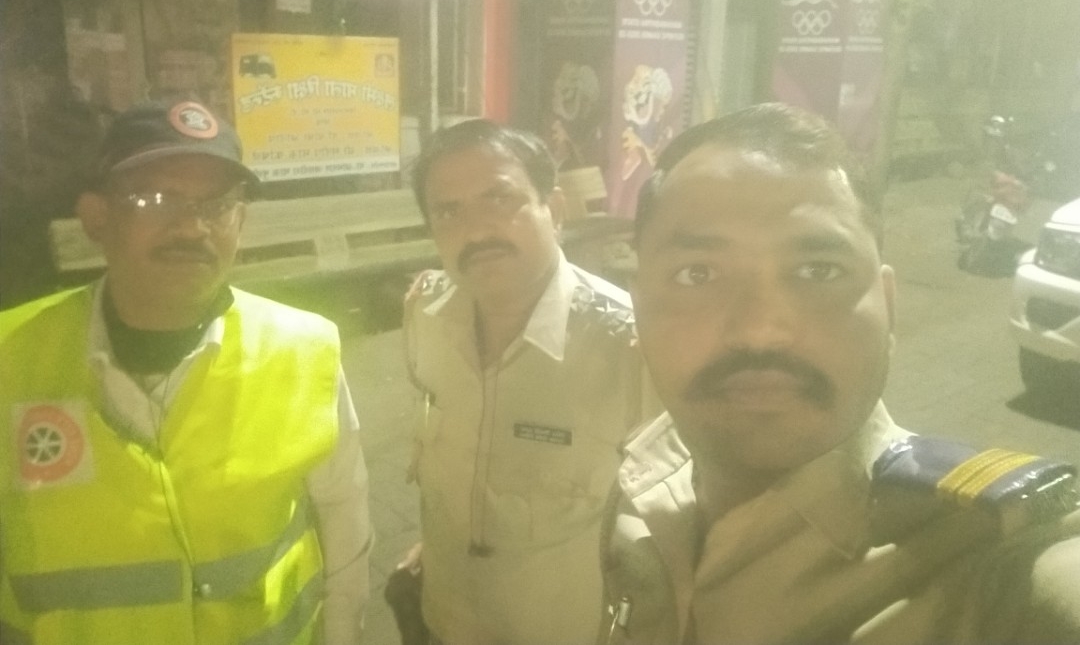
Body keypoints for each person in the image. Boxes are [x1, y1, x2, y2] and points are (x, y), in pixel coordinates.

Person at [599, 102, 1080, 644]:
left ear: (888, 306)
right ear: (638, 308)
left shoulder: (998, 567)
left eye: (818, 270)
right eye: (697, 274)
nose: (760, 330)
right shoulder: (639, 488)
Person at [0, 98, 372, 644]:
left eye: (217, 205)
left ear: (240, 222)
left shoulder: (305, 349)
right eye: (156, 199)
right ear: (97, 218)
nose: (193, 227)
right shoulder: (11, 356)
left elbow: (344, 522)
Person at [399, 119, 655, 645]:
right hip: (441, 621)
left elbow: (673, 525)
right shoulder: (424, 314)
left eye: (500, 199)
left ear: (554, 210)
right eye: (449, 212)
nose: (476, 231)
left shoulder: (632, 347)